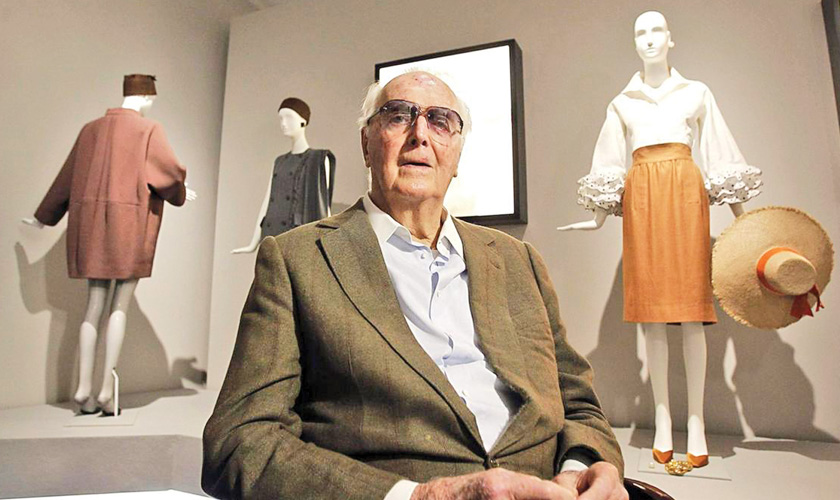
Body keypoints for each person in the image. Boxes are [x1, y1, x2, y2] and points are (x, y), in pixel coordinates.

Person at [203, 71, 625, 500]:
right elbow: (238, 441)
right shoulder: (297, 260)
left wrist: (582, 468)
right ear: (366, 144)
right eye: (398, 116)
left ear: (457, 155)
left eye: (440, 121)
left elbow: (578, 403)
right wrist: (419, 497)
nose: (420, 134)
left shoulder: (519, 260)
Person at [558, 11, 761, 467]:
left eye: (656, 31)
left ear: (671, 39)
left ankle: (697, 423)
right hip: (643, 200)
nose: (649, 39)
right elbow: (610, 161)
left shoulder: (696, 92)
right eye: (640, 32)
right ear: (634, 42)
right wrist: (596, 219)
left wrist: (744, 219)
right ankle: (664, 419)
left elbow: (718, 152)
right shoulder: (622, 102)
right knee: (651, 319)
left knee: (691, 315)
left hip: (686, 195)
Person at [23, 74, 196, 416]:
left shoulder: (90, 130)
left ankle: (82, 388)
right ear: (145, 97)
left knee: (93, 305)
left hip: (90, 230)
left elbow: (65, 179)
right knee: (120, 306)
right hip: (129, 228)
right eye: (151, 99)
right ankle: (105, 391)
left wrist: (44, 217)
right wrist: (180, 192)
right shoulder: (148, 130)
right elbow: (169, 174)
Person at [232, 97, 335, 254]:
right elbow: (268, 202)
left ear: (303, 121)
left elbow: (323, 208)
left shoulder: (318, 159)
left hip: (296, 240)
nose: (283, 123)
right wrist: (253, 243)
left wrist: (326, 246)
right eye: (281, 118)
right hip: (271, 237)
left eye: (289, 117)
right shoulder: (279, 161)